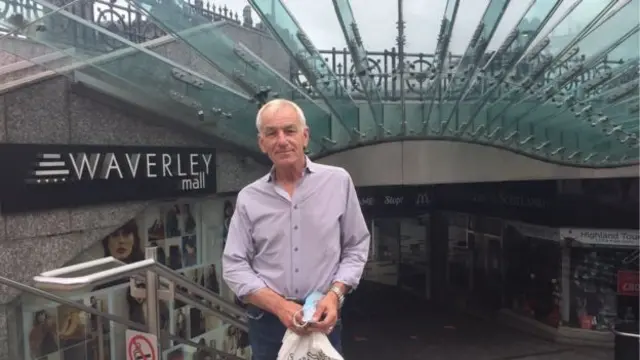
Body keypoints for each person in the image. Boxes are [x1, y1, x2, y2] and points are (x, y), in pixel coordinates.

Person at [222, 99, 370, 360]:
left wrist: (335, 295)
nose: (282, 140)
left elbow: (356, 245)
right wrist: (280, 306)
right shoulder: (249, 197)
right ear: (262, 143)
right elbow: (234, 265)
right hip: (268, 320)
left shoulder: (338, 182)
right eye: (271, 133)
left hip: (323, 316)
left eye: (289, 130)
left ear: (305, 136)